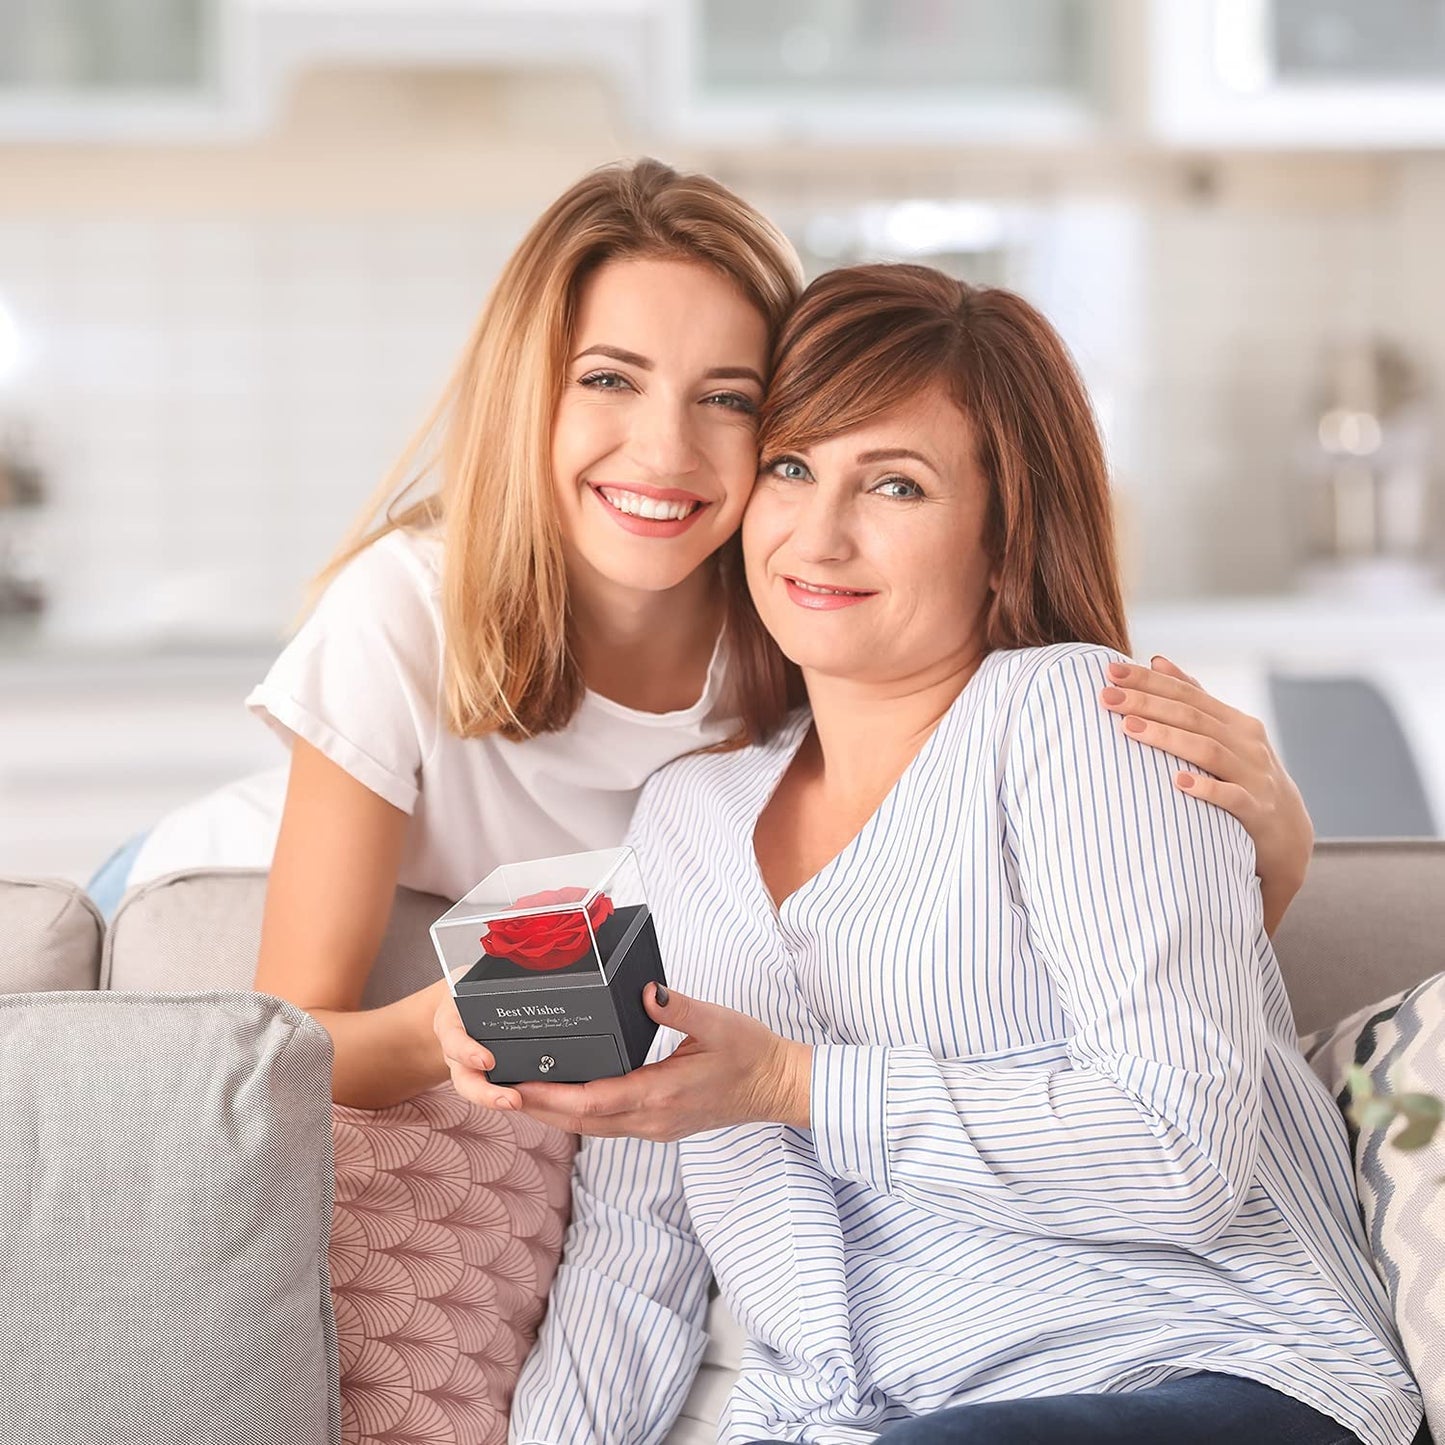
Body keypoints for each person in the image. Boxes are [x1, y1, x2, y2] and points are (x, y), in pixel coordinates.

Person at [92, 159, 1310, 1114]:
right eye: (608, 379)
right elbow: (288, 1035)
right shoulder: (403, 608)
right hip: (210, 892)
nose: (664, 451)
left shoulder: (800, 599)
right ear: (530, 391)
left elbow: (998, 930)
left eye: (726, 398)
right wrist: (444, 1021)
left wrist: (1276, 854)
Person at [439, 265, 1422, 1445]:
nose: (819, 533)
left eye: (894, 483)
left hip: (1193, 1370)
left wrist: (793, 1083)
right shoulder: (683, 818)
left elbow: (1179, 1151)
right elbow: (634, 1247)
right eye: (791, 467)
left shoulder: (1074, 719)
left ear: (1005, 540)